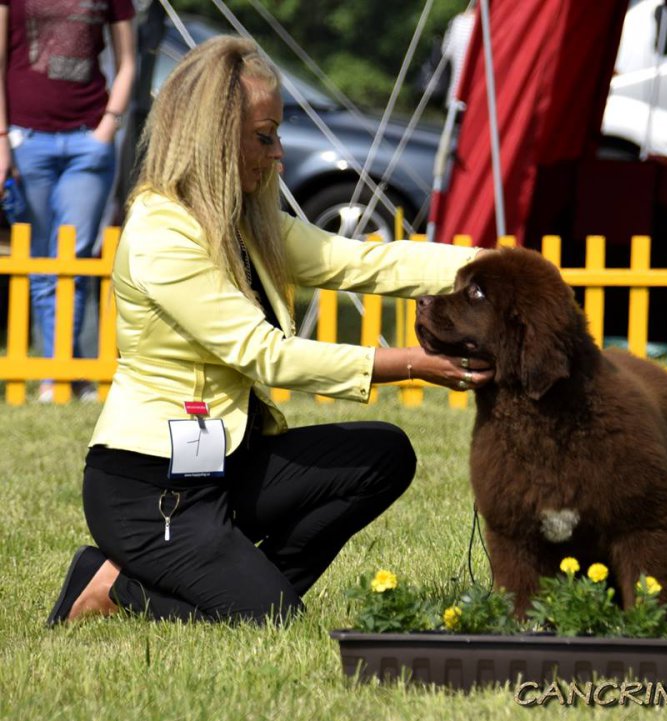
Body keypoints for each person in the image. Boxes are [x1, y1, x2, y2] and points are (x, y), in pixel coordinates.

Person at [46, 36, 494, 626]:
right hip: (152, 490)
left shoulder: (245, 219)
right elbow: (266, 357)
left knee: (384, 455)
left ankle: (248, 593)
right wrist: (412, 364)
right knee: (271, 621)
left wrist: (497, 267)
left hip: (226, 465)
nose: (279, 152)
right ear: (214, 135)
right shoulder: (162, 234)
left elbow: (362, 262)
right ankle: (113, 587)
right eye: (265, 136)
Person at [0, 0, 136, 402]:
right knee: (42, 260)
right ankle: (65, 371)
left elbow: (127, 61)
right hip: (26, 139)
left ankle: (54, 376)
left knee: (72, 257)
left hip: (87, 139)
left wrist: (108, 125)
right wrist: (2, 138)